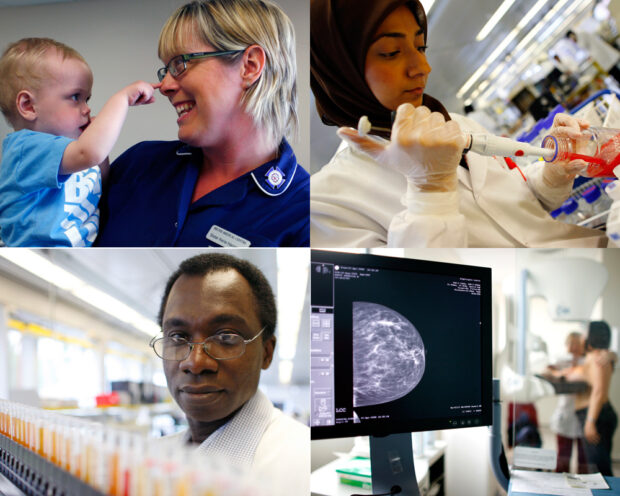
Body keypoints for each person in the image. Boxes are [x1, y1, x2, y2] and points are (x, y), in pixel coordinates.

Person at [310, 0, 608, 248]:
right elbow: (418, 294)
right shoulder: (327, 203)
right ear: (339, 68)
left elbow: (517, 205)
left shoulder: (455, 123)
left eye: (421, 47)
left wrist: (550, 176)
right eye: (391, 52)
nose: (423, 68)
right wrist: (429, 194)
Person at [96, 0, 309, 247]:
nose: (165, 86)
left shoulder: (305, 211)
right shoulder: (139, 164)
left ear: (249, 66)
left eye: (181, 63)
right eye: (165, 70)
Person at [151, 252, 309, 494]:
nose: (195, 362)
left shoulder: (302, 465)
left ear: (266, 353)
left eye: (226, 337)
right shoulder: (154, 457)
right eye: (178, 337)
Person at [0, 37, 157, 247]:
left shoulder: (72, 150)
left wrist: (93, 134)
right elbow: (91, 154)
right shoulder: (25, 148)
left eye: (87, 99)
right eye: (75, 97)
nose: (87, 109)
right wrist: (121, 100)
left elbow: (101, 177)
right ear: (28, 105)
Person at [567, 321, 618, 475]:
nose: (582, 337)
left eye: (584, 333)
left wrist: (590, 422)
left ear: (591, 336)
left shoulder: (598, 358)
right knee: (598, 467)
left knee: (599, 471)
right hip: (600, 414)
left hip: (596, 417)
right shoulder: (597, 357)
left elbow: (599, 392)